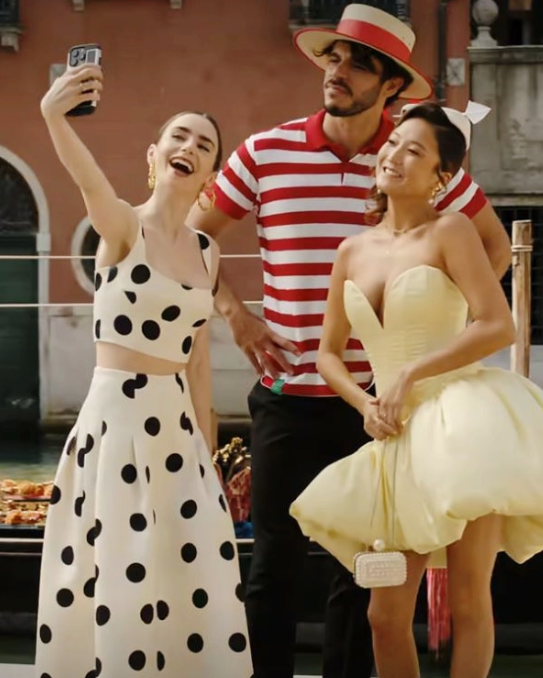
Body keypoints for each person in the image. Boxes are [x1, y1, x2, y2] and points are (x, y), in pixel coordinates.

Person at [186, 6, 511, 677]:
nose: (337, 71)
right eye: (333, 58)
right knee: (271, 566)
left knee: (364, 576)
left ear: (390, 86)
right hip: (286, 393)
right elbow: (192, 239)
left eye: (358, 64)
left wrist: (430, 328)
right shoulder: (264, 152)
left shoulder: (415, 158)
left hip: (384, 408)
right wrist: (236, 316)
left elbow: (495, 250)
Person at [289, 102, 543, 678]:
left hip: (463, 428)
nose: (394, 155)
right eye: (394, 143)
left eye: (414, 150)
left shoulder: (452, 230)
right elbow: (326, 354)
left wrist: (410, 375)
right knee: (384, 616)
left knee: (468, 600)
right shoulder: (351, 250)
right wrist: (364, 402)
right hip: (393, 434)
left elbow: (497, 325)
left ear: (441, 176)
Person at [34, 60, 251, 677]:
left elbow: (199, 360)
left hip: (178, 438)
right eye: (179, 136)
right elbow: (87, 179)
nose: (190, 147)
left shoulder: (207, 252)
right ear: (154, 156)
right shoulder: (123, 227)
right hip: (116, 429)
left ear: (211, 174)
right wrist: (53, 115)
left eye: (204, 145)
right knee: (118, 579)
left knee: (186, 579)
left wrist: (208, 456)